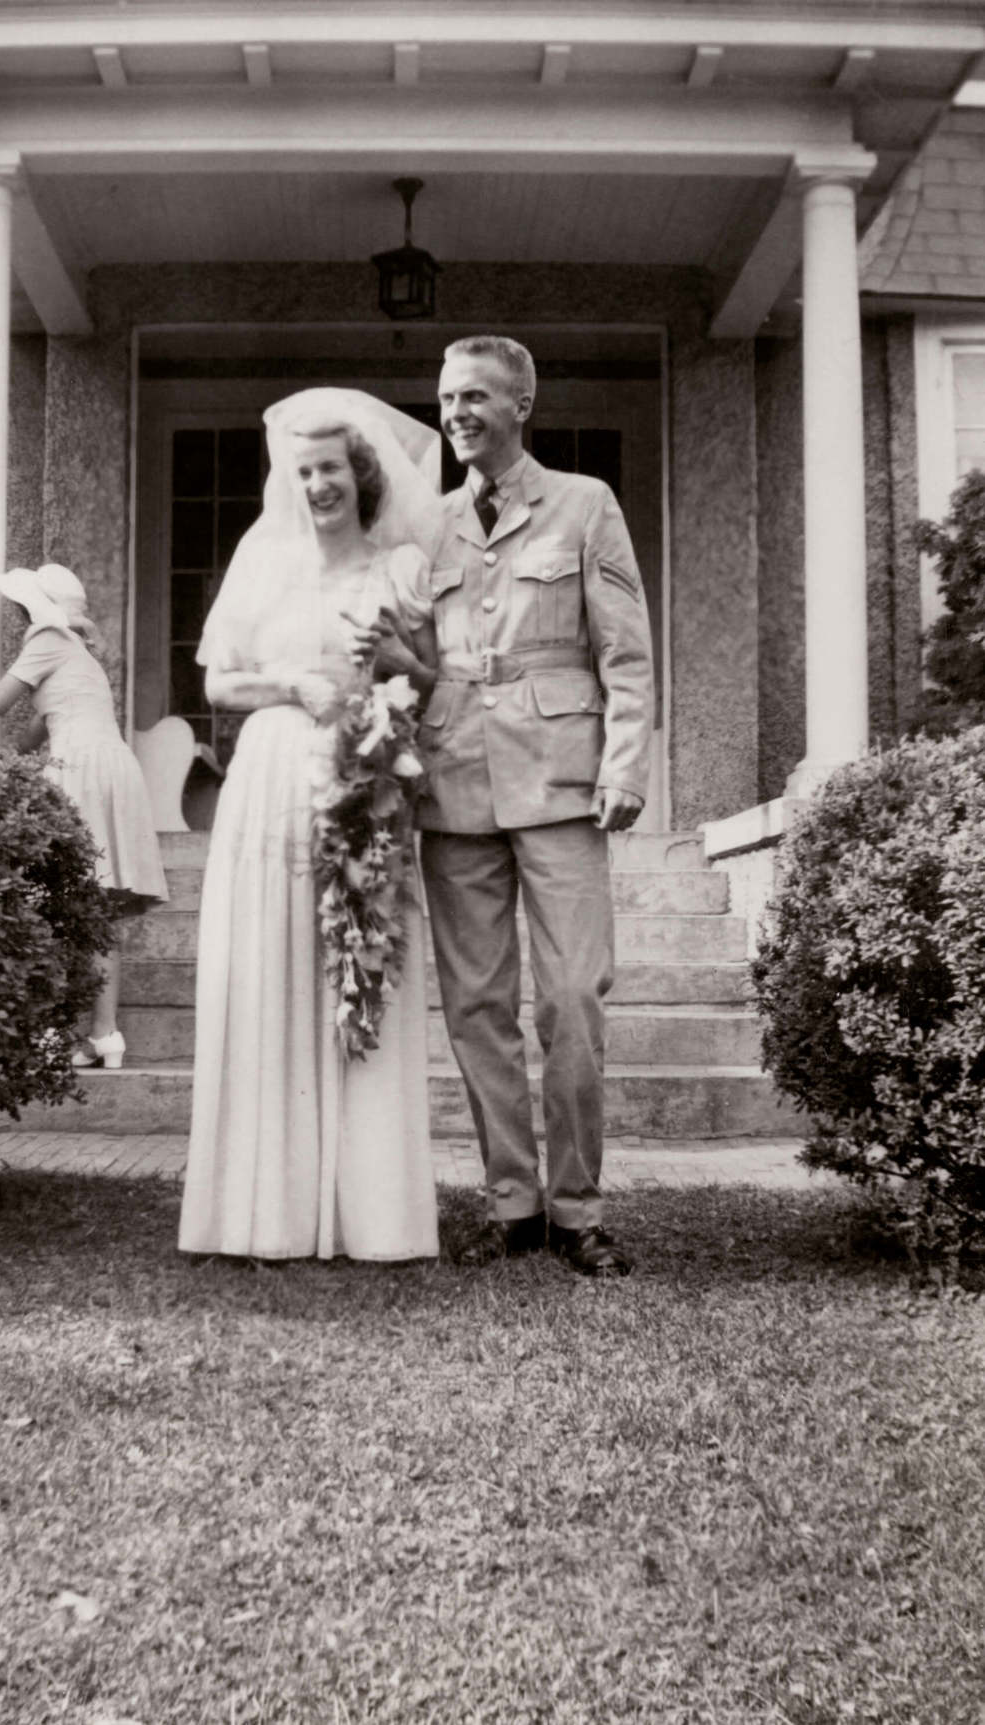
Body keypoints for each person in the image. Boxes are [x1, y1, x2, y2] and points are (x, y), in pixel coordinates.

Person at [404, 335, 655, 1276]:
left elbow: (624, 652)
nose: (456, 413)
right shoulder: (426, 526)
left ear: (521, 406)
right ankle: (512, 1203)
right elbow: (407, 656)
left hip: (560, 782)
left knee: (573, 1000)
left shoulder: (585, 506)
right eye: (445, 398)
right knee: (476, 1008)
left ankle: (578, 1208)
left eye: (474, 396)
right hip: (453, 782)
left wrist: (625, 764)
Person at [177, 389, 442, 1262]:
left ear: (361, 473)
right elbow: (218, 684)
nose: (319, 483)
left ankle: (372, 1216)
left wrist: (387, 679)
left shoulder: (397, 567)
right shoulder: (261, 563)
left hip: (363, 780)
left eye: (332, 467)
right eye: (305, 471)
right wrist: (293, 685)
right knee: (269, 969)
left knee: (357, 970)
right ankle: (265, 1213)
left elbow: (429, 678)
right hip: (268, 782)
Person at [0, 562, 168, 1067]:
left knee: (58, 904)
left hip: (83, 771)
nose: (17, 615)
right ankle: (105, 1036)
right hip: (113, 767)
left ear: (36, 608)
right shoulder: (78, 655)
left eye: (21, 607)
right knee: (99, 913)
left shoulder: (47, 638)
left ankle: (51, 1031)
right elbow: (35, 732)